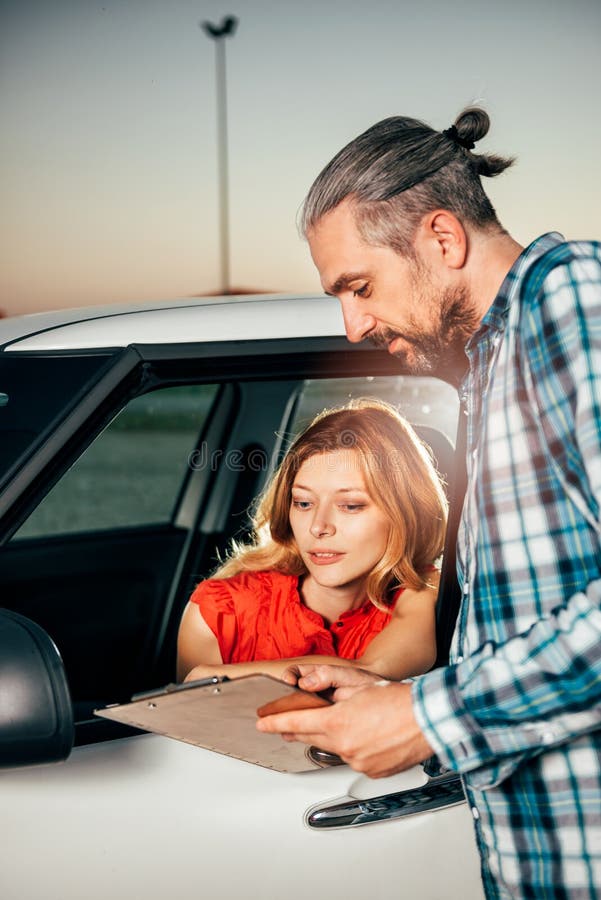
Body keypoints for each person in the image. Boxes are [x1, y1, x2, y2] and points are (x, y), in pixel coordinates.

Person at [257, 107, 601, 899]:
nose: (352, 324)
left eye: (360, 286)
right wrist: (403, 698)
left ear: (442, 240)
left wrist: (426, 719)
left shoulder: (573, 301)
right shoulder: (488, 363)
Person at [177, 398, 447, 684]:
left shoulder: (425, 590)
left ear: (405, 512)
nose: (318, 527)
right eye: (304, 503)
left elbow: (372, 669)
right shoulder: (218, 613)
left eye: (351, 506)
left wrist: (214, 677)